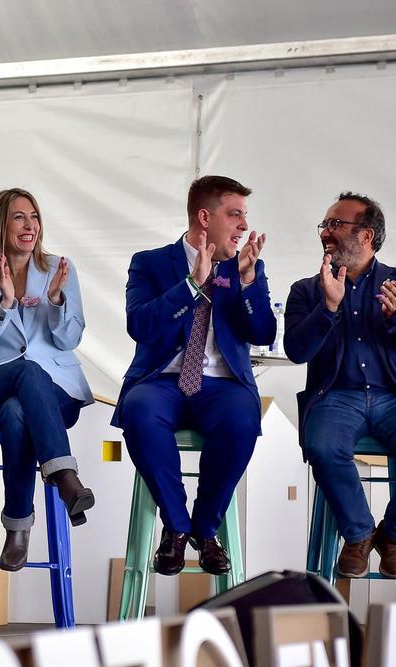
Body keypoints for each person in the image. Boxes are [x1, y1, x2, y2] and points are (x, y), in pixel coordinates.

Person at [284, 192, 396, 579]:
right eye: (324, 225)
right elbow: (296, 350)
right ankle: (358, 534)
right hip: (335, 396)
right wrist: (327, 308)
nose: (325, 232)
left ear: (367, 235)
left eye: (335, 224)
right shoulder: (306, 290)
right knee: (321, 446)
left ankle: (394, 536)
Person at [114, 175, 275, 576]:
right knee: (139, 412)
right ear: (205, 217)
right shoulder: (149, 263)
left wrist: (250, 283)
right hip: (162, 381)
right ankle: (176, 525)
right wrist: (190, 285)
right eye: (234, 215)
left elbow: (264, 333)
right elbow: (140, 325)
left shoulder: (247, 266)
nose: (243, 226)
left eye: (244, 216)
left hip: (223, 386)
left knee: (243, 418)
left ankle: (205, 530)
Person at [0, 188, 94, 571]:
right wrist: (3, 303)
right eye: (19, 217)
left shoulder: (59, 269)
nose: (29, 225)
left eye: (34, 217)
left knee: (18, 412)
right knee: (25, 373)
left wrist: (54, 301)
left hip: (56, 391)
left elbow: (70, 339)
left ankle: (17, 528)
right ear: (0, 224)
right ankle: (65, 477)